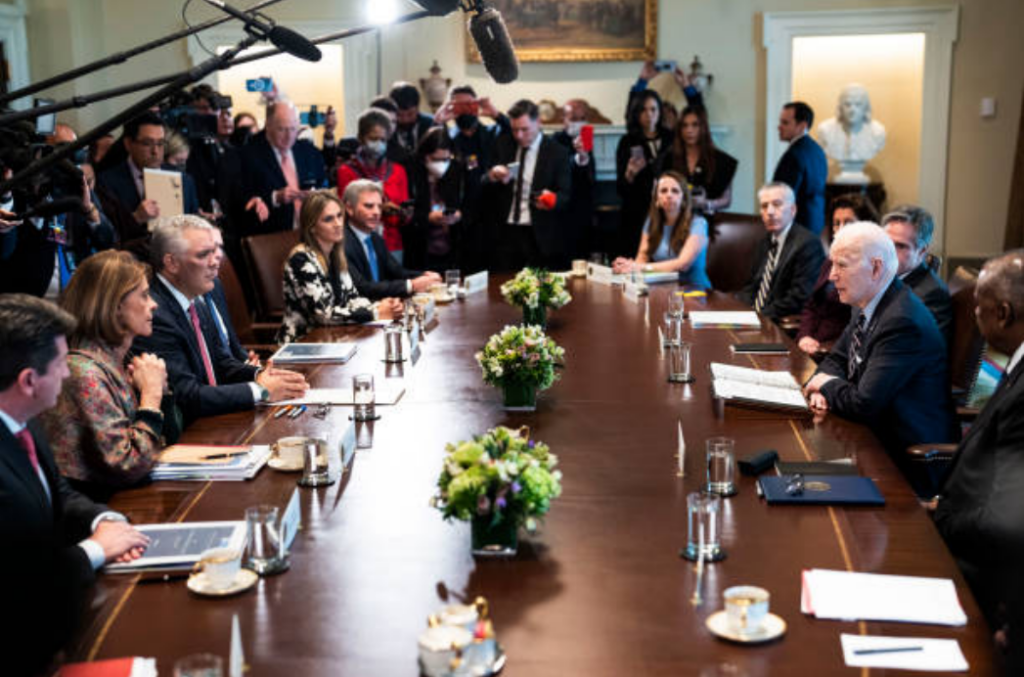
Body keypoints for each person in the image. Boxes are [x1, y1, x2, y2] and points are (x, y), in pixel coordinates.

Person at [0, 294, 150, 676]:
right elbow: (20, 584)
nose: (68, 374)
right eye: (61, 365)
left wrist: (103, 520)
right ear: (29, 381)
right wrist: (94, 551)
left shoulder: (25, 418)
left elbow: (58, 496)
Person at [932, 250, 1024, 673]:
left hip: (980, 567)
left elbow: (1004, 522)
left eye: (978, 306)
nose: (973, 313)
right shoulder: (1014, 363)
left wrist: (938, 520)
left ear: (1003, 313)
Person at [132, 215, 308, 425]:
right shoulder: (154, 315)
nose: (216, 261)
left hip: (218, 419)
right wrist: (261, 390)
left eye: (215, 251)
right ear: (172, 263)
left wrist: (261, 375)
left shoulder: (195, 297)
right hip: (189, 435)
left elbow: (221, 363)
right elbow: (188, 396)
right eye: (204, 254)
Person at [803, 222, 956, 459]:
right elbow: (836, 359)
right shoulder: (866, 300)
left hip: (904, 455)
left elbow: (864, 404)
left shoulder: (903, 322)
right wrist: (821, 387)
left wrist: (823, 384)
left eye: (841, 265)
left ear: (875, 268)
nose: (832, 275)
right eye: (832, 263)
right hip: (868, 436)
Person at [40, 251, 179, 502]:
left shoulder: (116, 361)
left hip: (129, 500)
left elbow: (170, 444)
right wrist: (151, 396)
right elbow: (127, 466)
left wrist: (162, 392)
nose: (154, 304)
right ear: (115, 306)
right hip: (97, 514)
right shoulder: (83, 372)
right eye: (144, 296)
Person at [279, 191, 403, 343]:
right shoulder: (301, 259)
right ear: (312, 227)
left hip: (334, 339)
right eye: (328, 219)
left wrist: (383, 305)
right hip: (302, 343)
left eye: (339, 215)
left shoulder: (336, 254)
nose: (338, 224)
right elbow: (324, 315)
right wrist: (375, 313)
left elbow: (353, 299)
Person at [485, 99, 572, 271]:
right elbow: (482, 180)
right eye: (515, 129)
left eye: (524, 129)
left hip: (539, 233)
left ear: (538, 122)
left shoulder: (557, 152)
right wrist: (493, 175)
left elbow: (565, 195)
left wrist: (550, 200)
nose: (519, 135)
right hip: (506, 231)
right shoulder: (503, 144)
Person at [435, 85, 510, 272]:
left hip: (490, 212)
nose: (465, 110)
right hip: (459, 216)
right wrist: (438, 122)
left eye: (469, 105)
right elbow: (428, 151)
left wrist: (495, 114)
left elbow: (514, 133)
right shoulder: (448, 136)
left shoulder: (492, 133)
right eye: (459, 106)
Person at [796, 194, 880, 357]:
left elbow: (859, 327)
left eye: (848, 223)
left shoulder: (870, 269)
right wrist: (804, 336)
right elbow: (811, 305)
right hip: (808, 345)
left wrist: (821, 348)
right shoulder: (831, 260)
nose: (841, 229)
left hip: (833, 352)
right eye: (836, 223)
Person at [232, 101, 327, 235]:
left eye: (293, 129)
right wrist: (275, 197)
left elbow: (323, 185)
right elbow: (240, 201)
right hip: (272, 237)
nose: (289, 136)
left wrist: (315, 195)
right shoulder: (247, 156)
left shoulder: (309, 152)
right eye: (282, 129)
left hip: (311, 233)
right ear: (268, 125)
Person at [738, 182, 825, 323]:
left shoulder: (808, 244)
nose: (770, 212)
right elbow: (752, 287)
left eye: (777, 204)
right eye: (764, 206)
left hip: (779, 322)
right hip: (756, 319)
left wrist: (758, 316)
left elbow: (799, 297)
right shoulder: (764, 242)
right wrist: (734, 308)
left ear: (793, 210)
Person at [97, 111, 200, 228]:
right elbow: (106, 235)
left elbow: (194, 224)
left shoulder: (183, 179)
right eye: (147, 143)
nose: (155, 151)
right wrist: (136, 218)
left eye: (160, 143)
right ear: (128, 144)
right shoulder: (107, 182)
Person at [343, 179, 441, 300]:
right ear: (349, 208)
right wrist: (411, 285)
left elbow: (397, 272)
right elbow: (362, 287)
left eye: (379, 206)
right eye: (369, 206)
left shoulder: (376, 239)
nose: (376, 212)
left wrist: (425, 275)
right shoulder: (342, 243)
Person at [611, 171, 711, 288]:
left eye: (675, 191)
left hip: (695, 291)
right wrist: (629, 269)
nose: (669, 195)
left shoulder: (698, 223)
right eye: (663, 191)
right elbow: (642, 257)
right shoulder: (652, 221)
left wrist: (639, 267)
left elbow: (683, 264)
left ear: (683, 199)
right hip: (663, 289)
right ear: (657, 199)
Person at [337, 108, 411, 264]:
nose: (378, 144)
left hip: (392, 245)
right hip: (358, 245)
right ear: (361, 138)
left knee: (396, 286)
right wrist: (380, 208)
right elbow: (345, 212)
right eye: (373, 138)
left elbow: (403, 216)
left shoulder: (398, 171)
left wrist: (404, 214)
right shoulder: (347, 171)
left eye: (383, 140)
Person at [882, 205, 953, 343]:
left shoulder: (932, 295)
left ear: (922, 251)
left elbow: (916, 355)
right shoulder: (882, 277)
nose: (889, 252)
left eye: (900, 246)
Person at [615, 89, 672, 258]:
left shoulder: (671, 138)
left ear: (660, 111)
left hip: (667, 208)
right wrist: (630, 174)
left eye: (653, 109)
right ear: (636, 113)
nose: (649, 114)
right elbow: (620, 189)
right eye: (643, 110)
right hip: (637, 211)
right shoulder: (628, 141)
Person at [657, 105, 737, 214]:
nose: (689, 130)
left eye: (695, 125)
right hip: (674, 218)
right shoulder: (668, 158)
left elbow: (727, 200)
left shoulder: (723, 161)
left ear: (703, 127)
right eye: (684, 126)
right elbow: (658, 193)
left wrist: (706, 203)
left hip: (706, 217)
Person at [408, 127, 465, 271]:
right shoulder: (412, 172)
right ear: (424, 155)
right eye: (435, 159)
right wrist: (426, 217)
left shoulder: (456, 171)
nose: (441, 164)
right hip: (420, 248)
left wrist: (459, 215)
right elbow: (406, 211)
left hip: (452, 247)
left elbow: (469, 205)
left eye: (446, 159)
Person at [772, 101, 828, 236]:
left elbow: (783, 197)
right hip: (816, 225)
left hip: (796, 228)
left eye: (785, 123)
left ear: (802, 126)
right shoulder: (817, 150)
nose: (779, 127)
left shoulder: (794, 154)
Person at [552, 99, 597, 260]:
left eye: (581, 119)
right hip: (562, 209)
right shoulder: (555, 139)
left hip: (583, 207)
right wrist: (579, 157)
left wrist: (584, 155)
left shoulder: (586, 136)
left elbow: (591, 177)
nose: (576, 123)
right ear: (564, 119)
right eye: (572, 118)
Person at [390, 81, 437, 156]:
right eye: (399, 115)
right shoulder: (386, 127)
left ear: (418, 108)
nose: (405, 120)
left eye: (410, 114)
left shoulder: (431, 124)